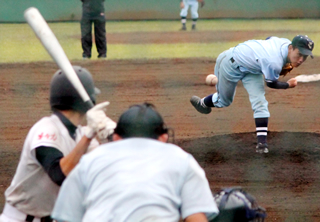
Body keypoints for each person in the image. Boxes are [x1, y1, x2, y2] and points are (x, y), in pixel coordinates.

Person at [51, 103, 219, 222]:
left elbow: (67, 217)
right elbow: (196, 217)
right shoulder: (181, 160)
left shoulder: (91, 161)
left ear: (116, 138)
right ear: (163, 137)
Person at [0, 66, 116, 222]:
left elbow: (107, 170)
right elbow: (58, 173)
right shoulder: (46, 128)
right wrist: (89, 135)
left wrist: (111, 137)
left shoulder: (81, 135)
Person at [190, 35, 314, 153]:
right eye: (299, 54)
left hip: (252, 69)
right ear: (291, 48)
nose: (301, 59)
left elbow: (269, 39)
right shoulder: (273, 62)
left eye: (305, 56)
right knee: (224, 101)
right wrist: (288, 85)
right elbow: (271, 83)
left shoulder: (284, 43)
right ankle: (203, 103)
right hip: (230, 63)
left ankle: (262, 145)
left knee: (260, 103)